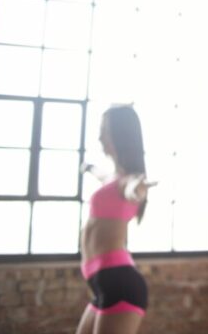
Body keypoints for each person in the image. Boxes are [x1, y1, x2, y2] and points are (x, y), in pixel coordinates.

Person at [76, 105, 156, 334]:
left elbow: (133, 188)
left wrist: (139, 189)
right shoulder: (114, 178)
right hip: (102, 285)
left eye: (105, 130)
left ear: (120, 134)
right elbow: (104, 176)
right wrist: (89, 168)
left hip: (120, 283)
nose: (100, 137)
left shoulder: (130, 181)